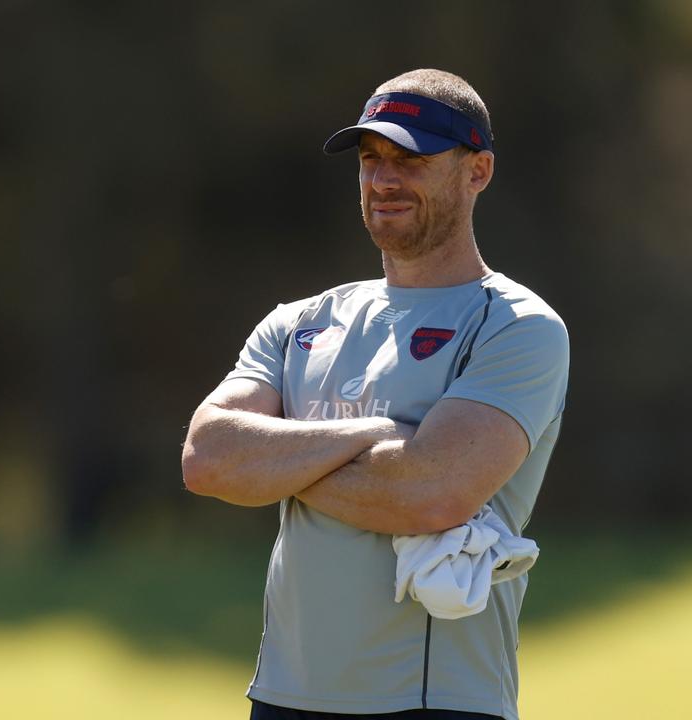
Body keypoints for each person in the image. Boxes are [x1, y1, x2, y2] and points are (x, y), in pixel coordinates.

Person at [181, 69, 569, 720]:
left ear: (478, 172)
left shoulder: (516, 325)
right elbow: (207, 457)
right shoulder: (299, 321)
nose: (384, 179)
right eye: (370, 159)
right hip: (282, 694)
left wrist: (276, 467)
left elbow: (430, 493)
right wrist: (367, 438)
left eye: (410, 160)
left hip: (434, 700)